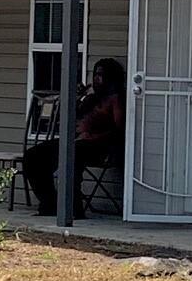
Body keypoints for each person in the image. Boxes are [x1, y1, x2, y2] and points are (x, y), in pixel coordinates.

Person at [23, 57, 126, 218]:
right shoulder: (92, 98)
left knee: (71, 156)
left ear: (111, 78)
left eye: (101, 75)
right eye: (95, 75)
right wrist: (76, 99)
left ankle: (73, 207)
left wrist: (92, 137)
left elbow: (119, 131)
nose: (96, 79)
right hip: (76, 142)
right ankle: (50, 203)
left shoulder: (115, 99)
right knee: (33, 156)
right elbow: (68, 119)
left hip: (99, 146)